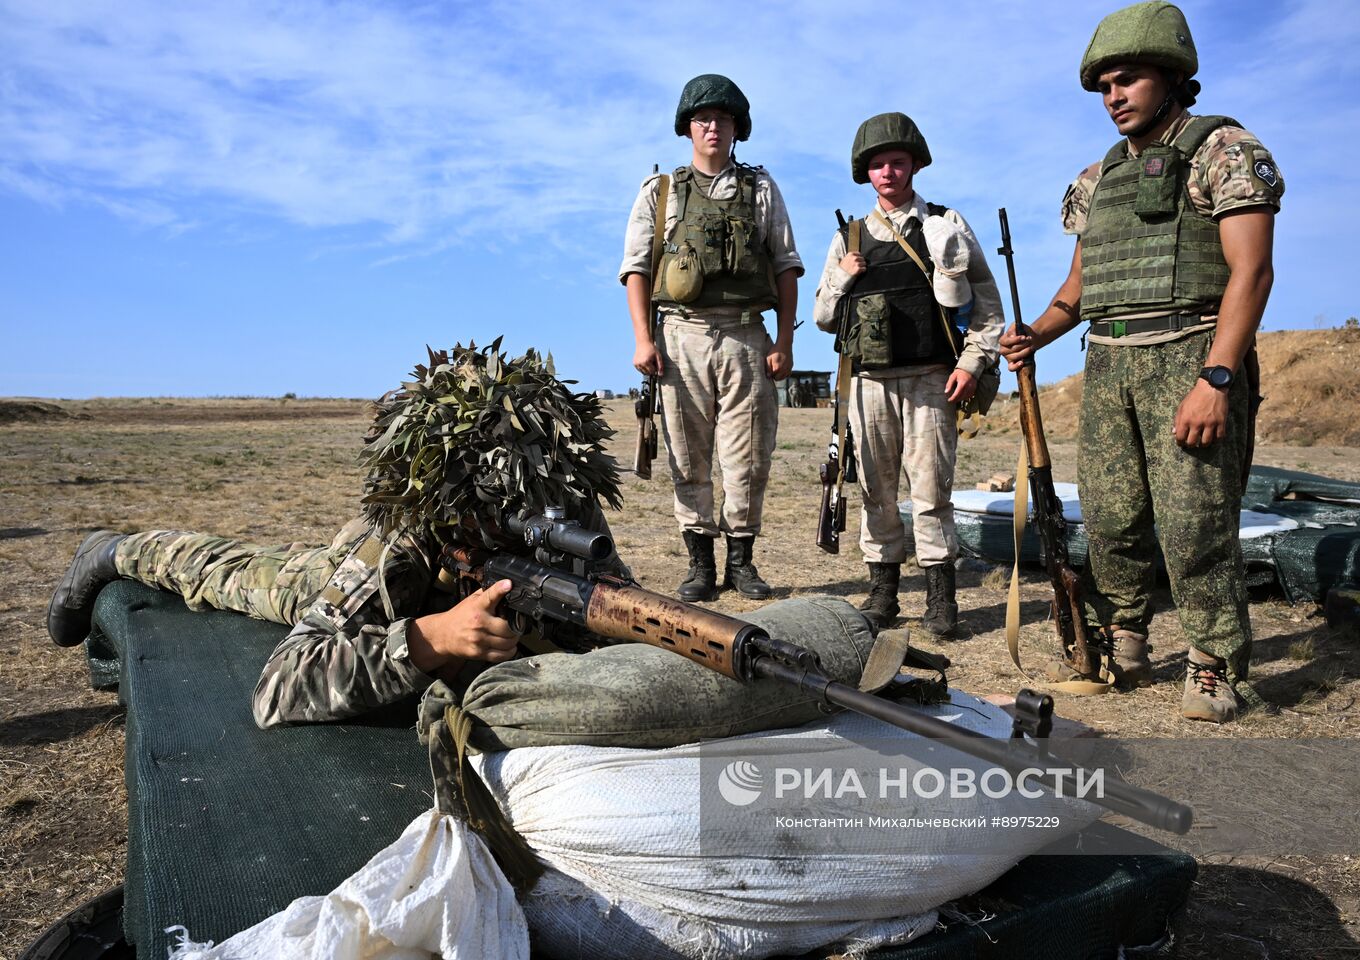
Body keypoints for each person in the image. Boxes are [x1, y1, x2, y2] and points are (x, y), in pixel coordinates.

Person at [46, 342, 625, 728]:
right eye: (498, 513)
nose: (525, 522)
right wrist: (430, 640)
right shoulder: (405, 537)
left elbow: (615, 613)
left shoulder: (565, 505)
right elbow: (278, 689)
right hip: (348, 574)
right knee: (239, 572)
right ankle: (112, 549)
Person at [999, 1, 1283, 722]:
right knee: (1112, 516)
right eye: (1104, 86)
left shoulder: (1223, 150)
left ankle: (1214, 663)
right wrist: (1035, 333)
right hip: (1109, 361)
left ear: (1172, 77)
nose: (1114, 97)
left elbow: (1251, 273)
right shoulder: (1098, 178)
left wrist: (1218, 377)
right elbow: (1079, 287)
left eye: (1127, 80)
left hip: (1190, 352)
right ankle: (1125, 636)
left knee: (1195, 522)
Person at [813, 112, 1004, 636]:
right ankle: (884, 593)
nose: (888, 173)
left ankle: (941, 599)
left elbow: (987, 307)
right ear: (866, 173)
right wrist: (843, 279)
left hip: (931, 380)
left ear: (914, 164)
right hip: (868, 384)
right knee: (875, 491)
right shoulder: (849, 237)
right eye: (878, 165)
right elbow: (824, 317)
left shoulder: (945, 225)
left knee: (931, 492)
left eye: (897, 162)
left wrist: (971, 364)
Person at [622, 74, 803, 602]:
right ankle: (700, 564)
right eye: (703, 119)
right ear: (687, 127)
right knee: (687, 456)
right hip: (681, 335)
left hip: (746, 335)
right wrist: (643, 339)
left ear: (737, 128)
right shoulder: (660, 192)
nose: (712, 127)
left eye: (723, 119)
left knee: (748, 458)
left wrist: (784, 342)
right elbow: (636, 268)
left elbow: (786, 266)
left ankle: (741, 562)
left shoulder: (761, 189)